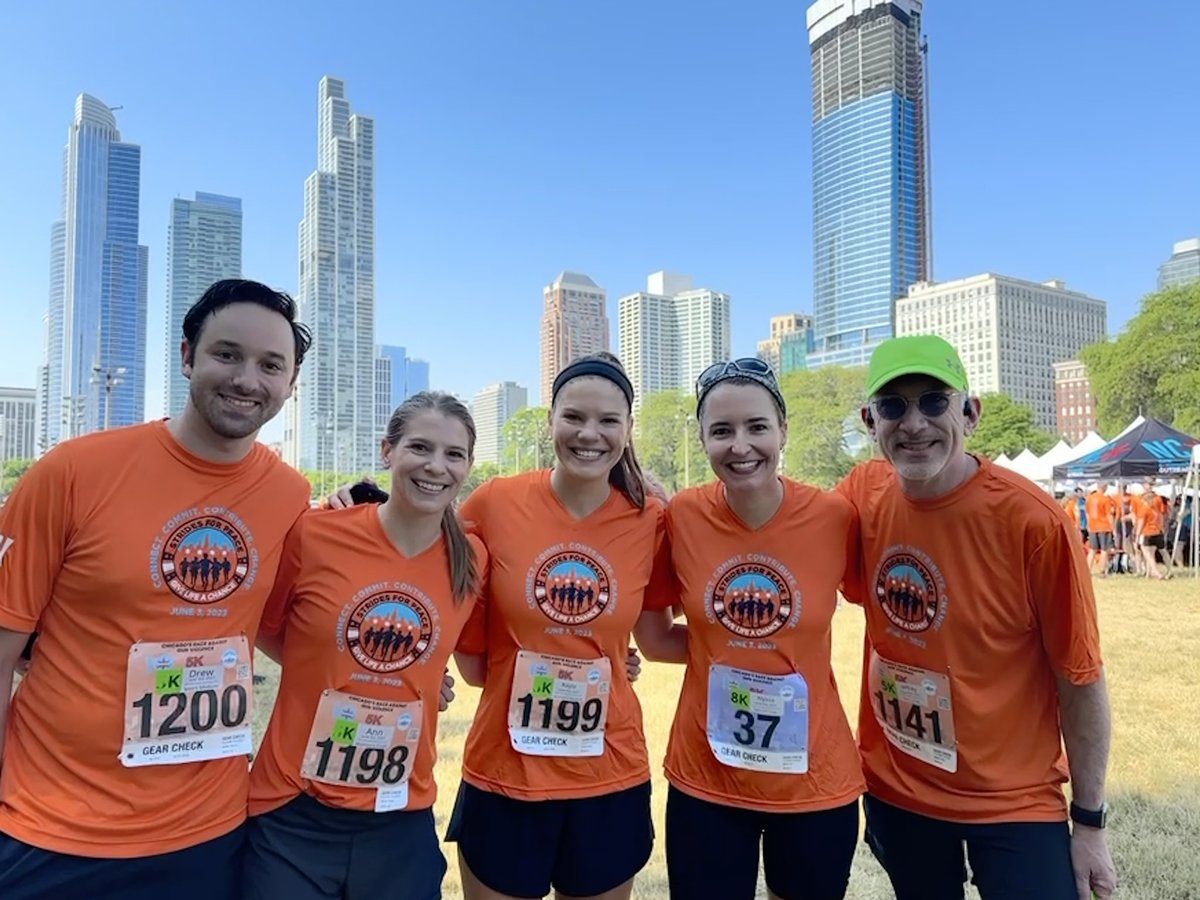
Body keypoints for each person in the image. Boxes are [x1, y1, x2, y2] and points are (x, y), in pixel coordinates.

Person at [0, 280, 314, 899]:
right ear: (186, 356)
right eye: (227, 354)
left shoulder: (289, 496)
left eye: (270, 365)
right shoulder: (72, 472)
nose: (248, 379)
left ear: (291, 383)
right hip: (53, 828)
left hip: (209, 832)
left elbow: (286, 628)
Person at [332, 351, 670, 900]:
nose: (590, 433)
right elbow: (415, 562)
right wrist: (355, 505)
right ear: (551, 421)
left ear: (628, 429)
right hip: (505, 772)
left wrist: (610, 659)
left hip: (609, 771)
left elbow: (654, 628)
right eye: (574, 417)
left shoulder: (650, 519)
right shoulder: (494, 502)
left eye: (609, 421)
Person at [838, 335, 1117, 900]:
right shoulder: (861, 496)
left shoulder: (1033, 522)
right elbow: (772, 526)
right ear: (871, 422)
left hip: (1012, 802)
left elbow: (1080, 678)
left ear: (971, 412)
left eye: (934, 402)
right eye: (893, 406)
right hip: (900, 792)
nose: (913, 423)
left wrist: (1088, 823)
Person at [242, 392, 488, 900]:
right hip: (293, 810)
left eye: (453, 454)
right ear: (387, 451)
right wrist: (332, 669)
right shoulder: (315, 533)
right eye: (420, 447)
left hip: (399, 814)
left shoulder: (473, 560)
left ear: (467, 466)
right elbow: (266, 627)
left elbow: (441, 659)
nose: (435, 466)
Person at [637, 358, 864, 900]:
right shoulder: (682, 516)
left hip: (816, 780)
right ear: (704, 438)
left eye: (757, 427)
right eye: (722, 431)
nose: (741, 446)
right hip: (707, 779)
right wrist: (728, 655)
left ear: (783, 429)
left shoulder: (835, 517)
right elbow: (654, 638)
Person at [1133, 481, 1170, 580]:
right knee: (1161, 551)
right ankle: (1165, 571)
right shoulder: (1156, 508)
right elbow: (1162, 516)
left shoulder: (1144, 509)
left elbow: (1140, 523)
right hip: (1157, 531)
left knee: (1147, 554)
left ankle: (1156, 572)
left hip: (1146, 532)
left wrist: (1137, 535)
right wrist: (1162, 527)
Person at [1085, 480, 1118, 576]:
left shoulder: (1090, 498)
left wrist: (1089, 525)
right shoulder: (1105, 499)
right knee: (1104, 549)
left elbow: (1087, 513)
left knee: (1092, 550)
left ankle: (1087, 571)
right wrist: (1113, 528)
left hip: (1093, 526)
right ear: (1104, 487)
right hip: (1104, 527)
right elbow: (1109, 515)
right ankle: (1102, 571)